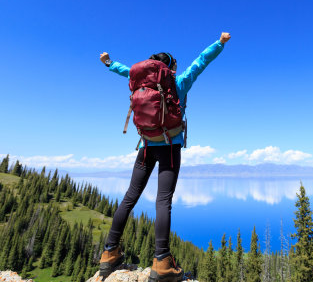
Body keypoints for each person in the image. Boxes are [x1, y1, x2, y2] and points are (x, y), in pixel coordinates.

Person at [98, 32, 231, 282]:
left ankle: (109, 253)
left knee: (130, 196)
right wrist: (220, 43)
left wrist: (108, 63)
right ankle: (162, 263)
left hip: (145, 146)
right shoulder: (179, 83)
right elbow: (201, 61)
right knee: (163, 200)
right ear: (170, 68)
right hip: (170, 147)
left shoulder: (140, 82)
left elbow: (126, 70)